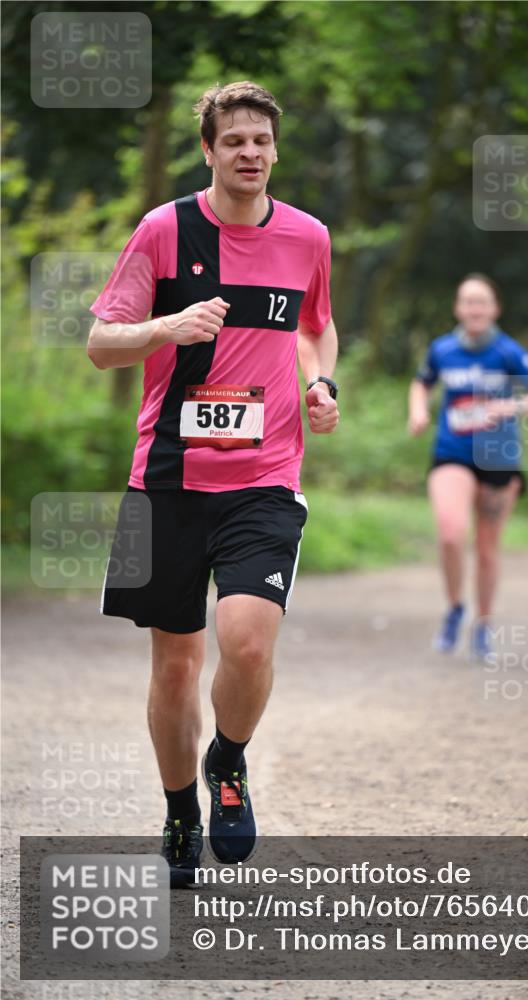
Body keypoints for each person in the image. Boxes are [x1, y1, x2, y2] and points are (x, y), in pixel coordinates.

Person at [87, 81, 339, 886]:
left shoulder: (307, 237)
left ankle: (226, 760)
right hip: (166, 477)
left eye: (261, 141)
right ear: (208, 150)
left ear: (275, 149)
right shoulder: (166, 229)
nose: (250, 154)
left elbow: (315, 324)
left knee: (249, 641)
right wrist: (168, 325)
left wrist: (322, 384)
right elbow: (101, 343)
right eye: (233, 141)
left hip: (265, 477)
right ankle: (177, 810)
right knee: (172, 667)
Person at [407, 274, 528, 660]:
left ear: (495, 309)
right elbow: (421, 383)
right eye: (468, 302)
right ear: (458, 309)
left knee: (488, 550)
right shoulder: (442, 350)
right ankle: (456, 608)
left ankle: (483, 626)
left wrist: (512, 406)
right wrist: (418, 412)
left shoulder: (508, 352)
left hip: (498, 459)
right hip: (452, 453)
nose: (475, 309)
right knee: (450, 533)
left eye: (482, 302)